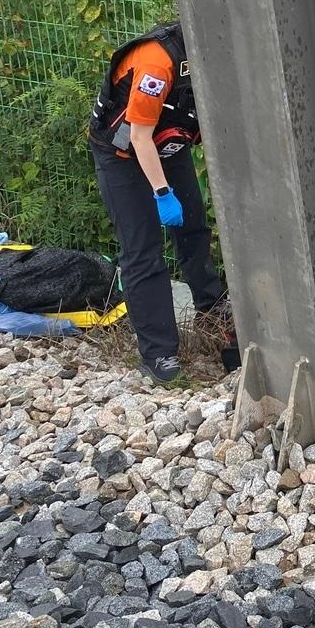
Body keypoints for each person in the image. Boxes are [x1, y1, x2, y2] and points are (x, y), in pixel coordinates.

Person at [88, 22, 234, 386]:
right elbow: (138, 135)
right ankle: (157, 353)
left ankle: (212, 313)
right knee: (143, 250)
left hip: (166, 143)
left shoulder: (220, 54)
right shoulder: (157, 62)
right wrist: (162, 192)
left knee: (194, 230)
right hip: (123, 151)